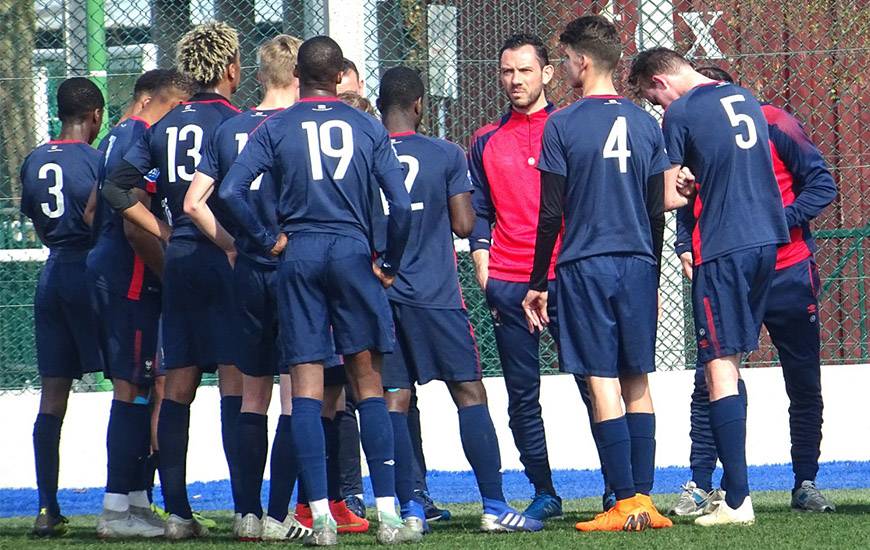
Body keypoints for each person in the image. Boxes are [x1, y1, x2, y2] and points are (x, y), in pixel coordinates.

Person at [219, 36, 418, 546]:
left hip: (300, 256)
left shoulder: (276, 126)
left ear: (299, 77)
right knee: (367, 382)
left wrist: (268, 240)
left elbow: (229, 191)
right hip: (354, 255)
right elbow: (399, 201)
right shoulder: (366, 126)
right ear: (338, 76)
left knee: (304, 387)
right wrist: (389, 261)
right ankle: (390, 518)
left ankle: (320, 521)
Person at [522, 15, 684, 532]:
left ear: (582, 61)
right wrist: (654, 274)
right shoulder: (644, 122)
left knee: (602, 378)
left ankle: (622, 500)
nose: (566, 66)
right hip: (637, 263)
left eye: (567, 58)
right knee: (636, 376)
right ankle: (644, 500)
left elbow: (551, 213)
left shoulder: (563, 124)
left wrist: (537, 281)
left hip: (584, 264)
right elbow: (657, 209)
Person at [376, 66, 544, 535]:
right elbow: (466, 225)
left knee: (395, 399)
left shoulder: (368, 153)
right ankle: (493, 504)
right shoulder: (445, 153)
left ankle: (410, 508)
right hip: (436, 296)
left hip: (382, 296)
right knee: (469, 392)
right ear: (419, 105)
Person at [629, 47, 791, 526]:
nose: (658, 109)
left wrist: (669, 184)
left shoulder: (680, 111)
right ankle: (732, 490)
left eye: (651, 100)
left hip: (722, 244)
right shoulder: (744, 95)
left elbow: (664, 197)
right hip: (768, 239)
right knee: (733, 361)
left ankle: (737, 499)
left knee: (717, 363)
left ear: (659, 82)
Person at [669, 65, 838, 516]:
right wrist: (685, 243)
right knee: (712, 375)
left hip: (787, 270)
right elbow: (691, 198)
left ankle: (805, 480)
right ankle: (702, 483)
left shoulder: (775, 123)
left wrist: (771, 223)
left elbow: (823, 183)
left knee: (803, 381)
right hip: (727, 266)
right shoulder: (695, 131)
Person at [102, 21, 245, 539]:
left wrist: (162, 226)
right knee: (236, 379)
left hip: (181, 258)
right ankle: (246, 507)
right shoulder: (239, 121)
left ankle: (179, 514)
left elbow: (117, 186)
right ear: (231, 68)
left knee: (178, 383)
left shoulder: (160, 127)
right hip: (225, 258)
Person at [468, 33, 580, 521]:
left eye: (525, 71)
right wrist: (480, 256)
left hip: (568, 279)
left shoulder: (570, 127)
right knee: (521, 395)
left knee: (593, 382)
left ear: (548, 73)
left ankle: (618, 491)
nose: (515, 81)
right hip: (510, 283)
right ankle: (544, 490)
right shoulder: (485, 139)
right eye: (507, 71)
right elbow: (479, 209)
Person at [87, 69, 194, 538]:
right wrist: (167, 249)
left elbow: (92, 209)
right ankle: (115, 509)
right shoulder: (143, 137)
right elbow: (130, 219)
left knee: (140, 387)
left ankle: (133, 501)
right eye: (175, 111)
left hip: (106, 269)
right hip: (130, 278)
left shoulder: (112, 137)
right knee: (131, 390)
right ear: (156, 102)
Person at [20, 77, 105, 537]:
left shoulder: (34, 159)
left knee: (52, 396)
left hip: (51, 276)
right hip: (90, 272)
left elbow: (36, 219)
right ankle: (130, 502)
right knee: (133, 384)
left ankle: (46, 508)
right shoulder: (95, 159)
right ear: (95, 116)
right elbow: (100, 217)